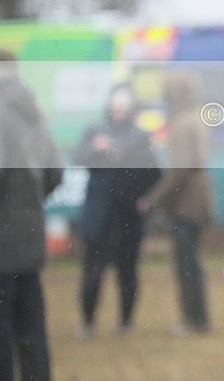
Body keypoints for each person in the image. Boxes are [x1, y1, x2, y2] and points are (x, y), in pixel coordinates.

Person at [0, 50, 63, 381]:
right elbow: (55, 173)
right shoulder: (33, 112)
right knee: (32, 336)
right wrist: (26, 202)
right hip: (29, 240)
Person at [73, 83, 160, 338]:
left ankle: (125, 323)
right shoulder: (94, 132)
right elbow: (78, 157)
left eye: (125, 104)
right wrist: (95, 148)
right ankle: (87, 322)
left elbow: (153, 174)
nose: (120, 109)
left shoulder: (140, 137)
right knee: (92, 273)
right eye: (116, 104)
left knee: (127, 273)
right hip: (97, 216)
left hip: (128, 218)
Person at [139, 72, 213, 335]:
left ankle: (194, 320)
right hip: (197, 198)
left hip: (186, 201)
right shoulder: (195, 119)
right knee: (192, 262)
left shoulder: (182, 124)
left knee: (187, 265)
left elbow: (178, 172)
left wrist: (152, 200)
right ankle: (198, 318)